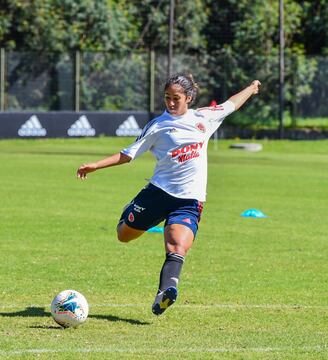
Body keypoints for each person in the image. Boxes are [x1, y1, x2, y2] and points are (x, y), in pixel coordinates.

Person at [77, 74, 261, 316]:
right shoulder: (158, 125)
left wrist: (251, 87)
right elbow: (128, 154)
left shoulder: (204, 117)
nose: (171, 103)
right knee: (124, 235)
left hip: (190, 200)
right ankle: (130, 210)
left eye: (176, 98)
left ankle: (166, 291)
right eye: (167, 98)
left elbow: (232, 104)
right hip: (158, 194)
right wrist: (96, 165)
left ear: (189, 98)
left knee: (177, 246)